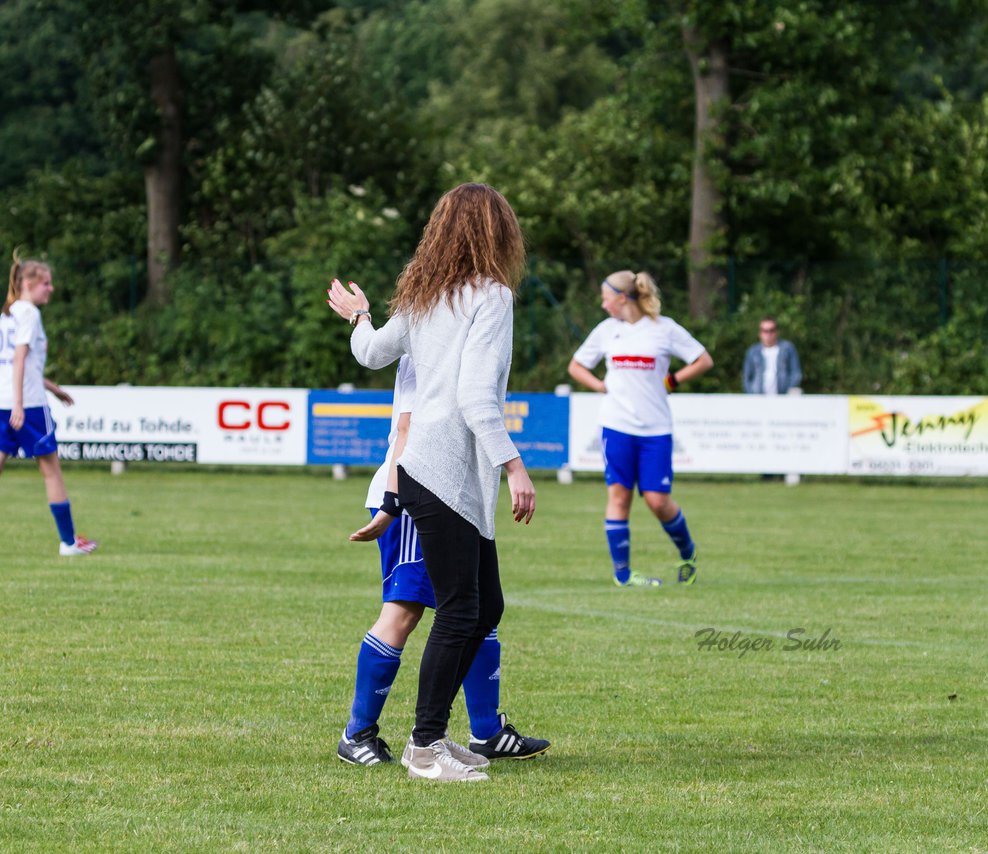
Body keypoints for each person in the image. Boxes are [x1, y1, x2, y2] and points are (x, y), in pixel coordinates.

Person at [325, 182, 537, 783]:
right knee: (460, 609)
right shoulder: (491, 296)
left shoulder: (425, 294)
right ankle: (426, 747)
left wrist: (360, 315)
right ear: (497, 232)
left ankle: (437, 738)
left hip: (425, 473)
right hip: (444, 475)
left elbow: (369, 353)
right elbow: (475, 396)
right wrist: (513, 463)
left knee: (483, 605)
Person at [336, 354, 549, 768]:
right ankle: (357, 732)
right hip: (419, 493)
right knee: (405, 611)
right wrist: (392, 504)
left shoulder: (450, 333)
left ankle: (487, 731)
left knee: (473, 606)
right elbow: (406, 427)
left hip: (451, 493)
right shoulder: (428, 343)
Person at [567, 270, 713, 587]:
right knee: (619, 497)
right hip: (616, 426)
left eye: (606, 299)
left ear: (622, 298)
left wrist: (672, 380)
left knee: (657, 500)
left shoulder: (664, 329)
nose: (603, 305)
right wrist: (600, 386)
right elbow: (576, 366)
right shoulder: (606, 331)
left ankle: (688, 554)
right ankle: (623, 575)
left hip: (656, 429)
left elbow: (703, 360)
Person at [0, 251, 98, 558]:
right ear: (29, 283)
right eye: (46, 283)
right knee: (51, 472)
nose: (51, 289)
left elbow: (18, 364)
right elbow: (19, 359)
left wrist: (53, 388)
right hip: (26, 405)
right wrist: (20, 404)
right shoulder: (29, 312)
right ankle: (69, 543)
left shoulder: (9, 311)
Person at [742, 316, 802, 395]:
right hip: (758, 399)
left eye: (771, 330)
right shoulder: (753, 351)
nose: (768, 334)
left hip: (783, 398)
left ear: (777, 331)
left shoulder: (787, 348)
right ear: (760, 333)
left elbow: (796, 373)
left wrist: (788, 391)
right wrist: (752, 394)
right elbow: (746, 378)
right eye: (765, 331)